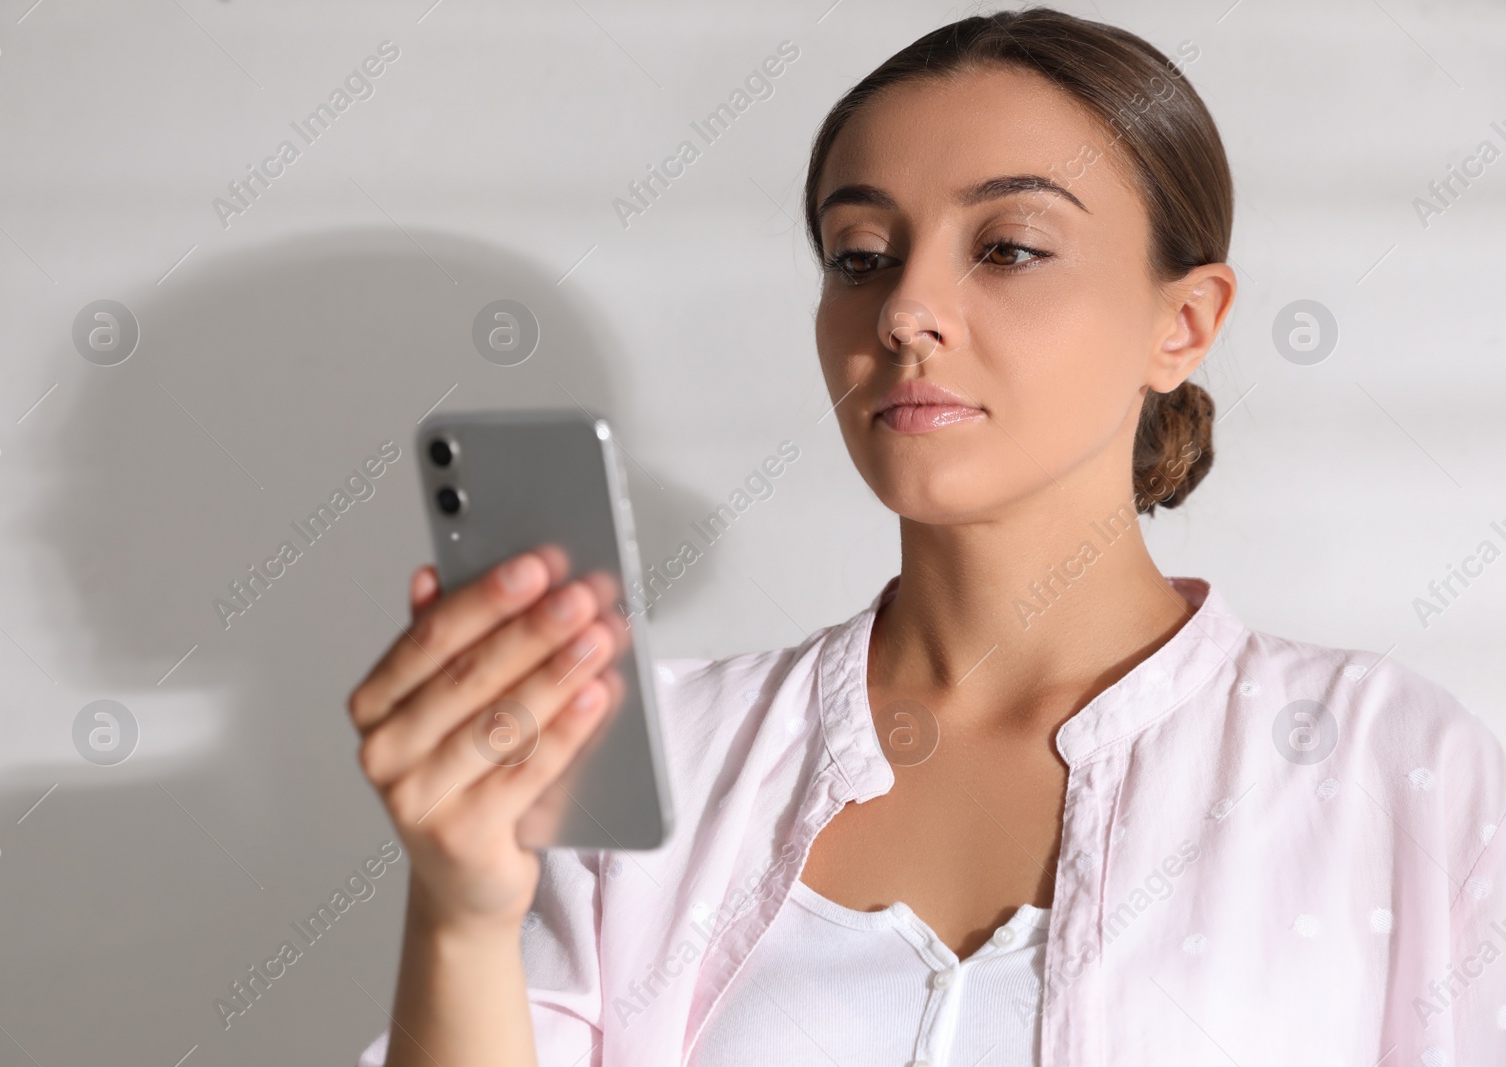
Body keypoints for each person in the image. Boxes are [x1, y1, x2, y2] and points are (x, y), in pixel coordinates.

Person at [346, 9, 1506, 1065]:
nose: (903, 309)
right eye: (861, 255)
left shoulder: (1391, 765)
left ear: (1183, 322)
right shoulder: (658, 763)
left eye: (1005, 247)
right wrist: (460, 909)